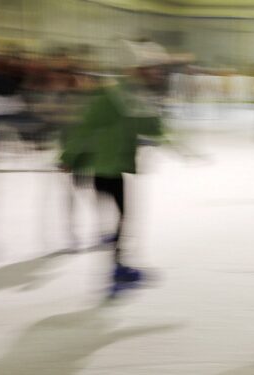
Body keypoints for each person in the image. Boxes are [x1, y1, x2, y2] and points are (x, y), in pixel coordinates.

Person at [59, 40, 169, 297]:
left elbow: (148, 126)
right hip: (102, 167)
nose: (155, 73)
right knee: (119, 219)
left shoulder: (131, 93)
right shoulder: (112, 94)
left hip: (114, 165)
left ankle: (118, 268)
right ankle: (116, 272)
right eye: (150, 68)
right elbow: (86, 126)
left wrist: (167, 136)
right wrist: (67, 156)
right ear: (136, 69)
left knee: (121, 218)